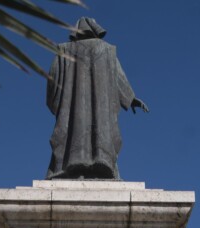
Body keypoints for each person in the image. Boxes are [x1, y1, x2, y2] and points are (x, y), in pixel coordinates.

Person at [45, 17, 147, 180]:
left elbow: (53, 80)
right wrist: (131, 98)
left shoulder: (64, 51)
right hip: (101, 109)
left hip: (73, 112)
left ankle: (73, 166)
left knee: (73, 129)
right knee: (101, 129)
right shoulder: (106, 50)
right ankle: (101, 163)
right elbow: (118, 76)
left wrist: (57, 101)